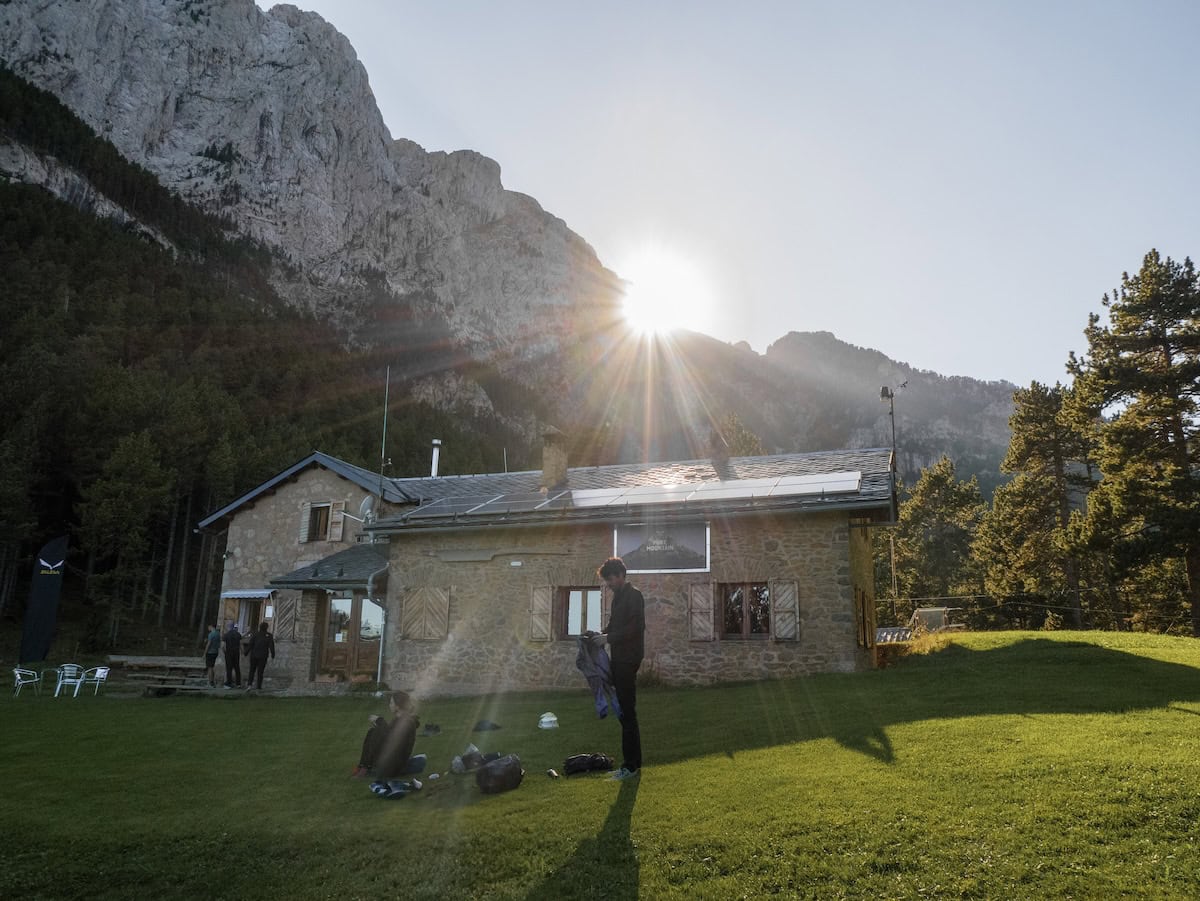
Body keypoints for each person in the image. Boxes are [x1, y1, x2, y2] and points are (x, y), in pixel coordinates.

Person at [597, 556, 644, 780]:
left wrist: (608, 638)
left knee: (626, 711)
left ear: (620, 576)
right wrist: (600, 635)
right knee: (624, 710)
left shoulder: (635, 596)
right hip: (618, 658)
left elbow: (635, 628)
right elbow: (615, 625)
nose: (608, 584)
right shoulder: (617, 599)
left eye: (610, 580)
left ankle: (630, 767)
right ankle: (634, 763)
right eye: (607, 581)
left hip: (628, 659)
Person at [354, 691, 426, 798]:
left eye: (391, 703)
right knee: (373, 731)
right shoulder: (401, 719)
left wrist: (380, 721)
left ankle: (366, 768)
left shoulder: (406, 722)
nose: (389, 705)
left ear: (397, 706)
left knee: (377, 731)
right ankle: (364, 766)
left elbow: (392, 739)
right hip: (392, 760)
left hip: (394, 765)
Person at [244, 621, 275, 690]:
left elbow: (250, 644)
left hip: (254, 655)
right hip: (263, 656)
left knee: (252, 670)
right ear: (266, 628)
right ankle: (258, 686)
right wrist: (273, 654)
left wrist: (246, 652)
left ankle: (249, 685)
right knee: (260, 672)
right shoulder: (269, 636)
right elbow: (271, 646)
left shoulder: (255, 634)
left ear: (260, 627)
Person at [222, 621, 243, 688]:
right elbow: (241, 644)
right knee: (237, 668)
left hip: (228, 653)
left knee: (229, 668)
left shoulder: (226, 635)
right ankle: (238, 683)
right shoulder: (238, 634)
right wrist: (243, 652)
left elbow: (223, 646)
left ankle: (229, 683)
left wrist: (224, 652)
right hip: (236, 653)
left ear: (228, 626)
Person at [203, 623, 221, 688]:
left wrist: (205, 653)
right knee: (212, 667)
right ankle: (213, 681)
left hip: (210, 652)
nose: (208, 628)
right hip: (216, 652)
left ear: (211, 626)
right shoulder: (218, 634)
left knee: (210, 668)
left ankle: (211, 682)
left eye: (208, 627)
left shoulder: (211, 634)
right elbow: (217, 643)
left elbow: (209, 644)